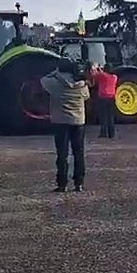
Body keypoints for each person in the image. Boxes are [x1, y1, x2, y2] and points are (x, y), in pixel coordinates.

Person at [42, 61, 90, 192]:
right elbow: (87, 96)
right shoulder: (81, 84)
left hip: (61, 121)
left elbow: (43, 80)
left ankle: (62, 184)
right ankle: (79, 183)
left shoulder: (54, 84)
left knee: (62, 154)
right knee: (78, 153)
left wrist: (55, 73)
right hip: (78, 121)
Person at [90, 64, 119, 138]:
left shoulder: (102, 76)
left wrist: (96, 68)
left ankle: (103, 133)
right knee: (110, 116)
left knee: (103, 117)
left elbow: (94, 76)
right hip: (112, 98)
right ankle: (111, 134)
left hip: (103, 98)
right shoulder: (115, 77)